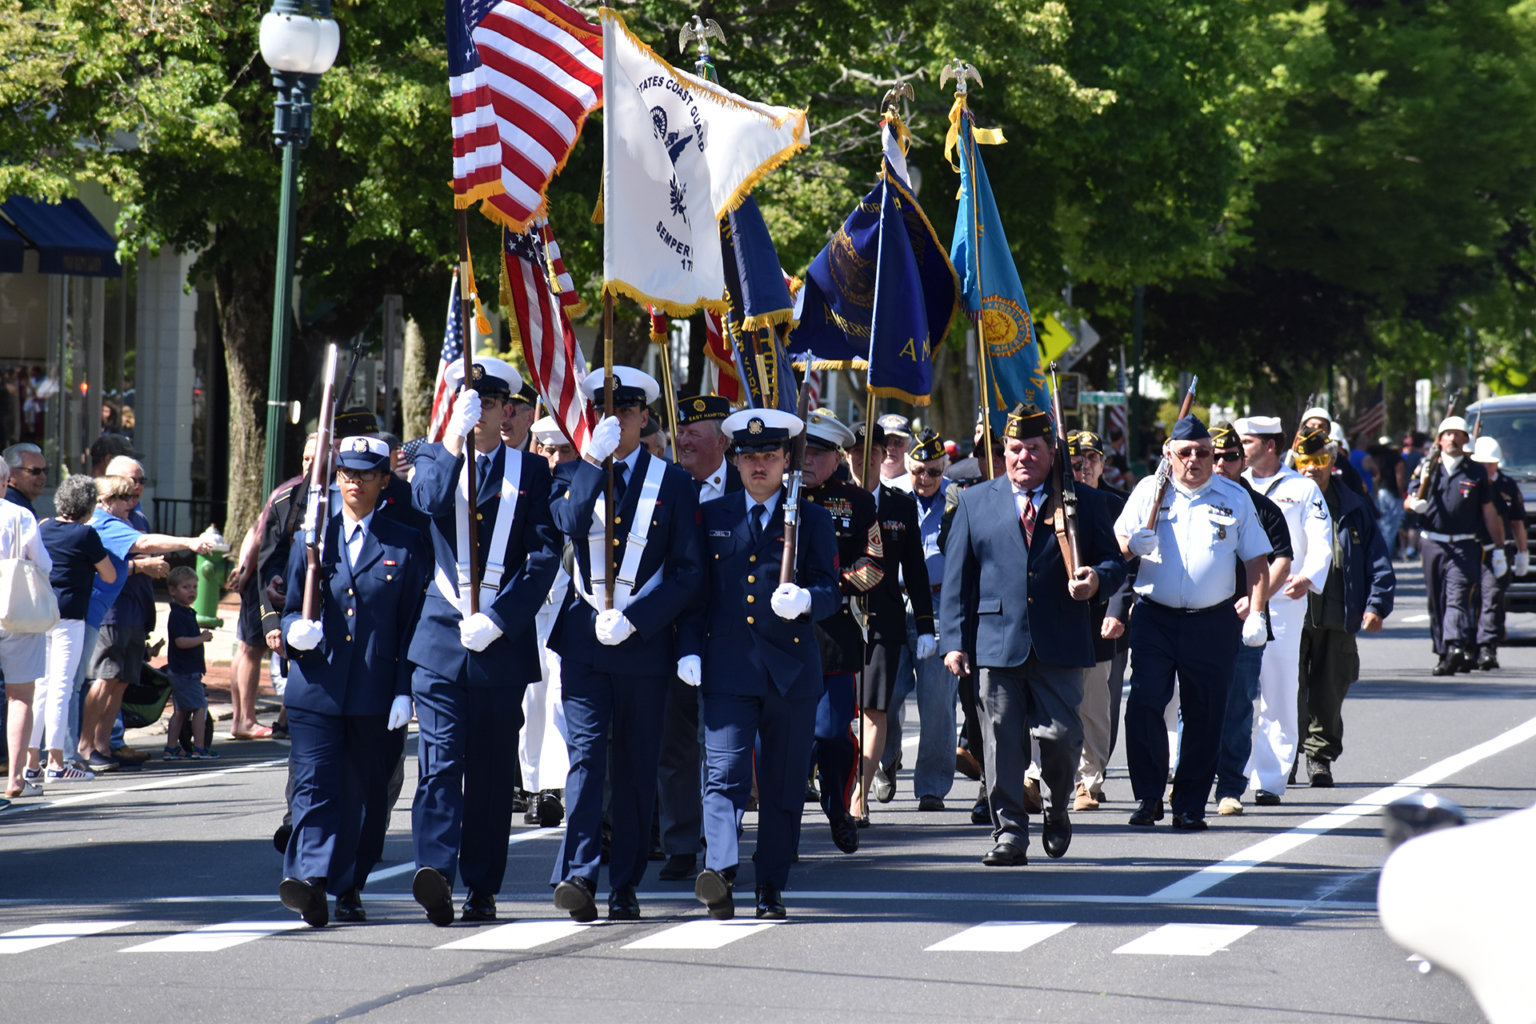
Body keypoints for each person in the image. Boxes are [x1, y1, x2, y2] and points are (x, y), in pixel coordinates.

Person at [407, 356, 561, 926]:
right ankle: (434, 870)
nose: (478, 411)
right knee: (440, 762)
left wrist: (501, 618)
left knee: (493, 776)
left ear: (507, 413)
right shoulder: (432, 457)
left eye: (489, 403)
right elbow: (427, 502)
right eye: (468, 401)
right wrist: (451, 437)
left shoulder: (533, 472)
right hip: (440, 639)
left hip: (500, 641)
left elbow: (543, 556)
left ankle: (482, 886)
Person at [547, 367, 703, 923]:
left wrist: (638, 620)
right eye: (601, 412)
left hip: (644, 646)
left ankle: (626, 882)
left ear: (643, 418)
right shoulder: (572, 472)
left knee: (636, 767)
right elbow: (566, 521)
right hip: (585, 642)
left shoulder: (673, 482)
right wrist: (592, 460)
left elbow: (688, 572)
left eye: (625, 411)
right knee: (587, 760)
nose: (613, 420)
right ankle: (580, 873)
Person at [941, 403, 1128, 863]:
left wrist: (1096, 581)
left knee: (1061, 738)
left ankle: (1057, 807)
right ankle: (1009, 833)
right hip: (995, 642)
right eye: (1014, 448)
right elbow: (957, 580)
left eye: (1033, 448)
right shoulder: (974, 502)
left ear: (1052, 452)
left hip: (1060, 642)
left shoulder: (1084, 503)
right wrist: (954, 641)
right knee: (1001, 741)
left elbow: (1114, 563)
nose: (1023, 457)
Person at [676, 407, 840, 919]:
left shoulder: (811, 519)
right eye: (749, 457)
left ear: (787, 460)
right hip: (728, 667)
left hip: (790, 673)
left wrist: (807, 600)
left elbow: (832, 589)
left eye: (769, 455)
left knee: (783, 786)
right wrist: (688, 647)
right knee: (723, 775)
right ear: (735, 460)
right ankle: (720, 870)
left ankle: (770, 884)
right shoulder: (713, 515)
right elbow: (695, 593)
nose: (759, 466)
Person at [279, 435, 430, 927]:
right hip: (316, 685)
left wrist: (405, 688)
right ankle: (310, 880)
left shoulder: (404, 543)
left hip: (375, 690)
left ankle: (349, 884)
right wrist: (292, 632)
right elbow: (289, 608)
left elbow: (411, 625)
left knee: (365, 797)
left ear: (384, 481)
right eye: (346, 473)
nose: (354, 483)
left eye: (366, 475)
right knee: (313, 787)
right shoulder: (312, 539)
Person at [1117, 414, 1270, 829]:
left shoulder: (1234, 497)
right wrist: (1133, 545)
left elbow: (1256, 560)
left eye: (1204, 452)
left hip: (1212, 621)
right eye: (1185, 452)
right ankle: (1148, 796)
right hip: (1155, 617)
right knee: (1145, 703)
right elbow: (1119, 542)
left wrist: (1257, 612)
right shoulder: (1150, 490)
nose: (1195, 459)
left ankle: (1189, 804)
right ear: (1169, 454)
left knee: (1205, 713)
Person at [655, 394, 740, 882]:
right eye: (680, 432)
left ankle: (720, 843)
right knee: (676, 744)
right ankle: (681, 843)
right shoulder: (666, 484)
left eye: (693, 433)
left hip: (730, 635)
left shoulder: (747, 483)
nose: (682, 441)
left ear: (722, 441)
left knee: (724, 748)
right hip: (674, 633)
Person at [78, 467, 213, 772]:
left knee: (120, 682)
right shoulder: (103, 522)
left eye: (133, 493)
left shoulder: (123, 521)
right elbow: (146, 544)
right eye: (122, 496)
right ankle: (85, 747)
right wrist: (190, 542)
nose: (130, 501)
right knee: (103, 681)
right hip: (106, 615)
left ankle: (103, 746)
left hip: (128, 614)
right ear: (103, 500)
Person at [1236, 416, 1332, 805]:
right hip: (1235, 602)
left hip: (1282, 602)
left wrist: (1309, 575)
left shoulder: (1302, 487)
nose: (1238, 449)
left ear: (1270, 444)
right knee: (1233, 690)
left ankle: (1270, 779)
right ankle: (1232, 773)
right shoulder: (1230, 483)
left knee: (1277, 691)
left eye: (1246, 441)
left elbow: (1321, 537)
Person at [798, 408, 882, 849]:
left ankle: (838, 806)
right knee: (786, 739)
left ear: (837, 457)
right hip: (780, 633)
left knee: (832, 735)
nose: (808, 460)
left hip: (833, 633)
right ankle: (783, 828)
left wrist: (828, 587)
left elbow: (874, 566)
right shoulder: (776, 495)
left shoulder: (858, 502)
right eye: (802, 451)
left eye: (818, 453)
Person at [1294, 433, 1395, 787]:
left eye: (1319, 461)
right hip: (1292, 614)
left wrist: (1376, 605)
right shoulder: (1283, 501)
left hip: (1339, 616)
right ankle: (1284, 756)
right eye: (1304, 462)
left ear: (1332, 463)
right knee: (1288, 690)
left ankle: (1319, 758)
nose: (1311, 469)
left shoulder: (1354, 506)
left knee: (1330, 691)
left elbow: (1377, 559)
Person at [846, 420, 933, 823]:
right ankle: (838, 782)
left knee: (875, 710)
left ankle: (859, 794)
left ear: (884, 457)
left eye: (872, 453)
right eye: (855, 452)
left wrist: (926, 626)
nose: (863, 460)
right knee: (834, 715)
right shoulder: (829, 499)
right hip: (836, 619)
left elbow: (914, 568)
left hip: (883, 620)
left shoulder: (900, 504)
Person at [1208, 421, 1293, 817]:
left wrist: (1256, 601)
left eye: (1229, 457)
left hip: (1246, 622)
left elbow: (1282, 560)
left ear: (1243, 461)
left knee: (1239, 705)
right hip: (1200, 619)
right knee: (1194, 703)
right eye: (1214, 456)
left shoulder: (1262, 508)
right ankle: (1191, 778)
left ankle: (1229, 786)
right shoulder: (1189, 504)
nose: (1220, 464)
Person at [878, 430, 955, 810]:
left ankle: (932, 787)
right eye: (918, 471)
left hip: (939, 604)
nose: (925, 478)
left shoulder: (957, 500)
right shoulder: (891, 497)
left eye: (934, 472)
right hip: (895, 600)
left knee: (937, 701)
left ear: (945, 469)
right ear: (907, 466)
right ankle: (885, 759)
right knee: (887, 693)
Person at [27, 475, 115, 783]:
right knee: (61, 688)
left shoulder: (43, 527)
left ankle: (31, 762)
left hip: (41, 614)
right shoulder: (86, 534)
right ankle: (56, 762)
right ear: (88, 507)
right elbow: (109, 574)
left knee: (40, 687)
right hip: (71, 617)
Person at [1404, 416, 1505, 675]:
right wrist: (1413, 504)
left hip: (1464, 545)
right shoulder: (1427, 466)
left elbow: (1489, 511)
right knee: (1436, 600)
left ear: (1465, 439)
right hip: (1432, 543)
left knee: (1457, 597)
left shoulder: (1476, 471)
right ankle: (1443, 652)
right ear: (1439, 440)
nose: (1452, 438)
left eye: (1457, 434)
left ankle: (1454, 646)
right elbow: (1409, 497)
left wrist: (1499, 547)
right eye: (1447, 434)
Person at [1062, 429, 1129, 812]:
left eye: (1091, 458)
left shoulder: (1115, 505)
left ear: (1103, 463)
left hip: (1100, 618)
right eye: (1075, 460)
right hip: (1057, 617)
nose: (1084, 466)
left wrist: (1116, 610)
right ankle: (1043, 777)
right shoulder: (1051, 501)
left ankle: (1089, 780)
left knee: (1095, 706)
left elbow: (1124, 565)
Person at [0, 461, 51, 800]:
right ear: (6, 481)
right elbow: (43, 564)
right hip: (15, 608)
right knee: (20, 696)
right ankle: (16, 776)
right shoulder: (19, 516)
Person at [1469, 436, 1529, 670]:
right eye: (1482, 463)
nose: (1487, 467)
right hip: (1471, 548)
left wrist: (1523, 552)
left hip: (1499, 551)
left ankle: (1487, 647)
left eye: (1490, 463)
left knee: (1492, 598)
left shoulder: (1507, 485)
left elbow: (1517, 521)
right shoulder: (1469, 481)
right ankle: (1467, 646)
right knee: (1469, 599)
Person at [161, 565, 217, 760]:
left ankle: (171, 748)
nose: (192, 591)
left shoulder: (187, 612)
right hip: (185, 671)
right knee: (199, 707)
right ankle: (199, 748)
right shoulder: (178, 615)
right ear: (173, 590)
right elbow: (181, 642)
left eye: (194, 587)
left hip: (184, 670)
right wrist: (202, 638)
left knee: (181, 710)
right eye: (186, 587)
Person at [3, 442, 47, 515]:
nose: (43, 476)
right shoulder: (11, 505)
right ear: (12, 474)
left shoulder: (20, 501)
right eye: (35, 471)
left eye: (45, 471)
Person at [500, 380, 539, 451]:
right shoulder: (482, 451)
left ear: (529, 417)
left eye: (510, 412)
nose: (503, 420)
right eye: (499, 412)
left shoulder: (542, 452)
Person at [877, 413, 912, 485]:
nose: (891, 447)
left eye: (898, 442)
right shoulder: (863, 480)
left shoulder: (917, 484)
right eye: (885, 441)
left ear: (908, 446)